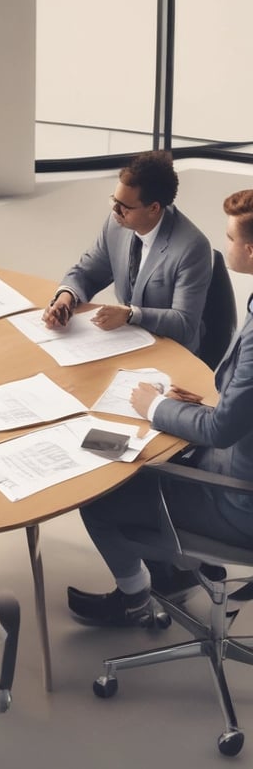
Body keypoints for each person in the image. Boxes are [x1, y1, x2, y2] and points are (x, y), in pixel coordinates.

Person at [67, 189, 253, 627]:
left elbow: (221, 430)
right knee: (128, 451)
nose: (222, 248)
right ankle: (176, 571)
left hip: (238, 499)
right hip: (237, 459)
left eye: (229, 238)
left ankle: (134, 600)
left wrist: (154, 407)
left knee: (99, 487)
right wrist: (214, 401)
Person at [42, 150, 212, 353]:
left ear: (154, 208)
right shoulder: (117, 224)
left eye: (124, 207)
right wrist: (66, 298)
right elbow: (88, 272)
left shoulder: (192, 248)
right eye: (114, 201)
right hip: (127, 342)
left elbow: (184, 324)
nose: (115, 210)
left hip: (170, 351)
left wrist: (132, 315)